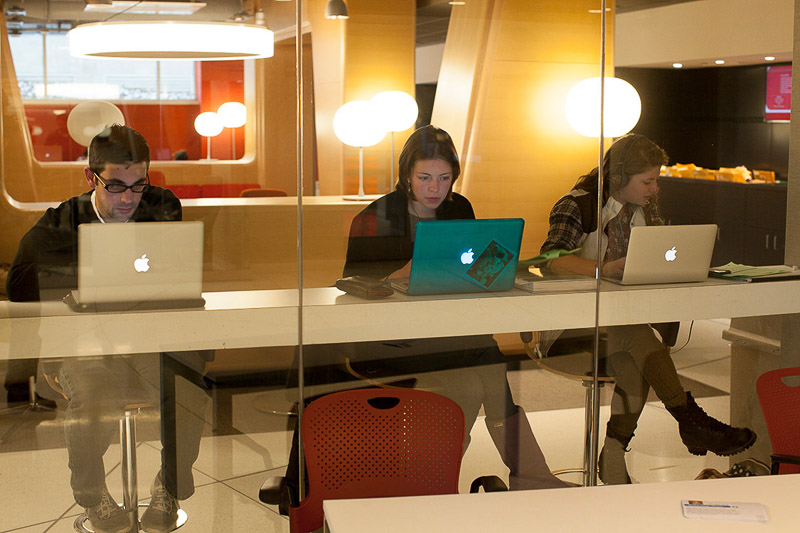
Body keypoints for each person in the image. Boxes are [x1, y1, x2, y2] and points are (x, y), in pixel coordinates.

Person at [5, 124, 208, 533]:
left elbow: (177, 274)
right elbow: (17, 287)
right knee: (95, 400)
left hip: (152, 340)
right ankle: (93, 494)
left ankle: (169, 485)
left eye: (139, 185)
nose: (129, 198)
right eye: (115, 186)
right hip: (85, 345)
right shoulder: (61, 223)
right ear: (90, 176)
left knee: (187, 391)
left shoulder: (162, 205)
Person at [343, 125, 568, 490]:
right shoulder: (375, 217)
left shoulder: (459, 207)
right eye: (425, 178)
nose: (435, 189)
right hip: (392, 339)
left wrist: (497, 267)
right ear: (406, 177)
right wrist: (399, 275)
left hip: (447, 333)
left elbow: (471, 269)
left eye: (445, 178)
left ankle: (430, 483)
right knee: (487, 360)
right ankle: (532, 478)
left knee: (470, 380)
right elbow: (351, 290)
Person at [540, 133, 756, 484]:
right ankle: (690, 421)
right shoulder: (577, 205)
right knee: (640, 338)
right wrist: (604, 269)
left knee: (638, 361)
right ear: (620, 177)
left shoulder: (644, 208)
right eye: (648, 181)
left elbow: (654, 255)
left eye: (656, 180)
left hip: (620, 331)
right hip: (568, 331)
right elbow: (550, 260)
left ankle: (613, 458)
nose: (655, 188)